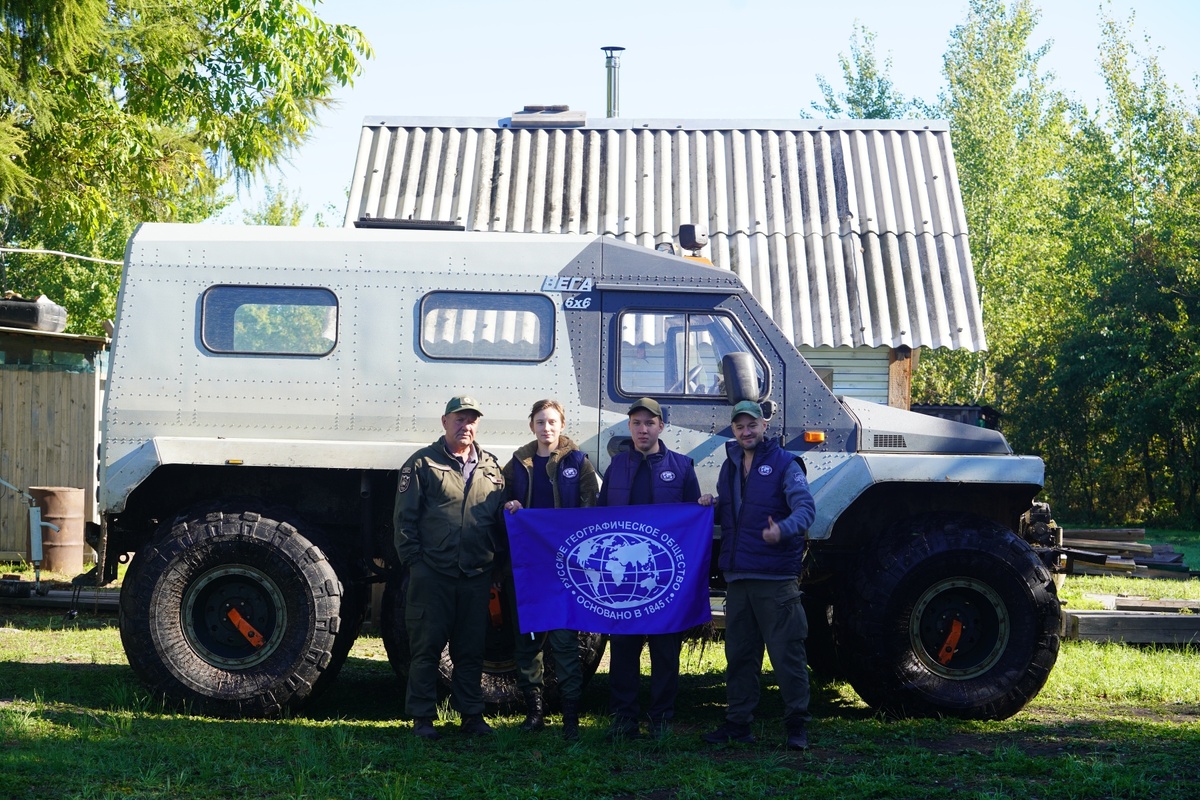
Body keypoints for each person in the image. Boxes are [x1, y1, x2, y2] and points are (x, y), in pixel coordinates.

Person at [702, 400, 816, 751]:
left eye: (752, 425)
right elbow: (736, 509)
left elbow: (806, 508)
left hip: (774, 580)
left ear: (764, 426)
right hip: (738, 578)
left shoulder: (785, 464)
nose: (746, 431)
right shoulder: (731, 464)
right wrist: (713, 505)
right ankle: (738, 724)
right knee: (740, 656)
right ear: (733, 430)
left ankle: (796, 727)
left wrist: (783, 529)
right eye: (739, 426)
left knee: (787, 656)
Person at [393, 395, 508, 741]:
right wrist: (416, 563)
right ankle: (423, 718)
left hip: (475, 575)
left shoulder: (492, 468)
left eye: (471, 420)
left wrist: (496, 567)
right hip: (433, 575)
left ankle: (471, 716)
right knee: (426, 649)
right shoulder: (421, 464)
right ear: (444, 422)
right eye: (459, 419)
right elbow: (404, 520)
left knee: (470, 650)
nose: (466, 426)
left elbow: (500, 522)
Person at [598, 397, 711, 739]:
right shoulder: (616, 467)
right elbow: (601, 518)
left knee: (665, 652)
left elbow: (693, 523)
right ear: (629, 427)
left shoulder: (681, 466)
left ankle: (661, 718)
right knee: (623, 650)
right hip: (624, 581)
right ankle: (624, 718)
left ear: (661, 426)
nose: (643, 429)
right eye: (636, 423)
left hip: (664, 580)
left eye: (649, 423)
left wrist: (703, 506)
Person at [501, 399, 600, 740]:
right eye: (541, 422)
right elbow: (500, 501)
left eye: (553, 422)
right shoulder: (517, 464)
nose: (547, 428)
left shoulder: (578, 462)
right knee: (527, 641)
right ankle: (535, 712)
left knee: (564, 642)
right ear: (532, 425)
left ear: (562, 425)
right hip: (529, 567)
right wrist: (509, 506)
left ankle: (571, 716)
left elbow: (592, 509)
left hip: (565, 571)